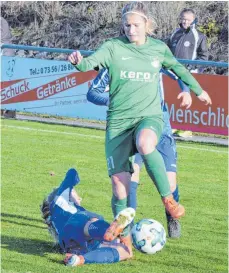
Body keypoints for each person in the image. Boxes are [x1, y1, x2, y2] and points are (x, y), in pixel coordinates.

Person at [68, 1, 212, 255]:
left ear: (147, 24)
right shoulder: (113, 47)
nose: (131, 30)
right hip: (119, 123)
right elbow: (89, 64)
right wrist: (79, 62)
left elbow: (177, 68)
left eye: (135, 25)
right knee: (119, 184)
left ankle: (168, 201)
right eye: (127, 25)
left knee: (146, 144)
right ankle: (123, 238)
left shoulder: (158, 48)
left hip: (150, 117)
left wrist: (197, 90)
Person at [87, 67, 191, 238]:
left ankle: (172, 216)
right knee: (129, 180)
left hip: (159, 124)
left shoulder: (154, 54)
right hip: (131, 126)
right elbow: (92, 93)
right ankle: (128, 229)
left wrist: (186, 90)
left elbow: (179, 72)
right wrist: (112, 101)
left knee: (170, 183)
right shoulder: (116, 60)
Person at [41, 168, 135, 267]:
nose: (79, 198)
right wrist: (69, 188)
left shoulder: (55, 220)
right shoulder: (59, 198)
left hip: (69, 245)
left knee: (125, 251)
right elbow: (72, 172)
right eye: (75, 193)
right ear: (69, 194)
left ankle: (79, 260)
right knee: (90, 221)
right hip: (75, 223)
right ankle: (107, 231)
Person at [168, 8, 209, 138]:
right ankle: (174, 125)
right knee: (174, 100)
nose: (185, 21)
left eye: (188, 19)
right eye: (183, 19)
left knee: (188, 101)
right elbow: (167, 52)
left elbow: (204, 56)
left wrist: (195, 69)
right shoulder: (175, 33)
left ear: (193, 20)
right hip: (173, 73)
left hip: (189, 74)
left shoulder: (199, 36)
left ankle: (187, 129)